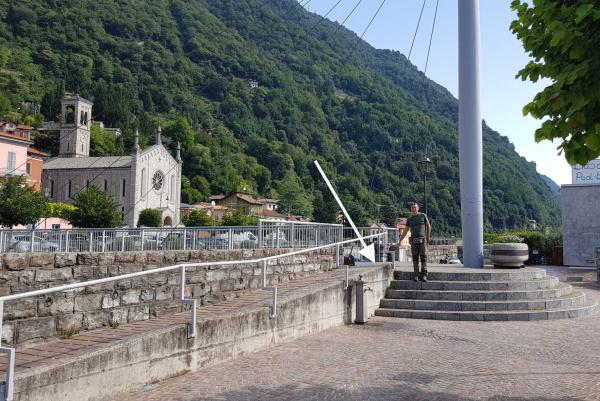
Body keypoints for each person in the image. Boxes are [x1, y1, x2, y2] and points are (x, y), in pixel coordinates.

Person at [399, 203, 431, 282]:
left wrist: (428, 236)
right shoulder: (409, 219)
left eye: (415, 208)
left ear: (418, 209)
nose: (413, 209)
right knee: (415, 258)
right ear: (411, 209)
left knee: (423, 258)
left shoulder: (423, 216)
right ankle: (416, 275)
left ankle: (424, 275)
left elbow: (428, 226)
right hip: (413, 240)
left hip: (422, 239)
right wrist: (400, 240)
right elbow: (405, 230)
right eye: (412, 208)